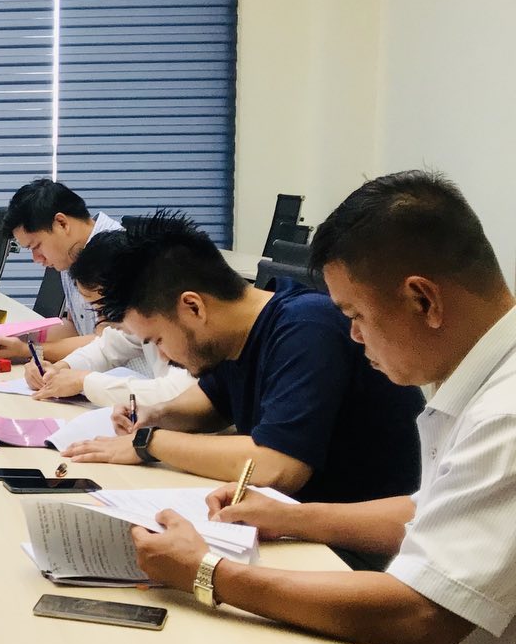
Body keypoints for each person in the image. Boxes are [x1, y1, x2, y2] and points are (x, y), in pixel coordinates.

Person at [129, 172, 516, 644]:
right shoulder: (485, 379)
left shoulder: (505, 414)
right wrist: (293, 519)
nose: (354, 337)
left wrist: (207, 572)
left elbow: (421, 618)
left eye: (356, 315)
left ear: (422, 299)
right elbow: (429, 509)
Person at [59, 211, 422, 503]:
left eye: (159, 340)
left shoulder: (307, 327)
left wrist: (149, 443)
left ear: (193, 307)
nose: (164, 356)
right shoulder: (238, 336)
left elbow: (277, 466)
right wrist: (155, 415)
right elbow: (210, 402)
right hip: (294, 523)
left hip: (354, 550)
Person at [27, 230, 195, 408]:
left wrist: (84, 382)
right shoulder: (144, 310)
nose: (101, 321)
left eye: (105, 309)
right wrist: (61, 368)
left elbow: (177, 395)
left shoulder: (184, 319)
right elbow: (107, 347)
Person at [0, 179, 122, 364]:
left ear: (61, 223)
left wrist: (29, 350)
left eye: (36, 246)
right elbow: (77, 327)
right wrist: (13, 336)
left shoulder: (115, 254)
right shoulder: (74, 252)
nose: (36, 258)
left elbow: (108, 345)